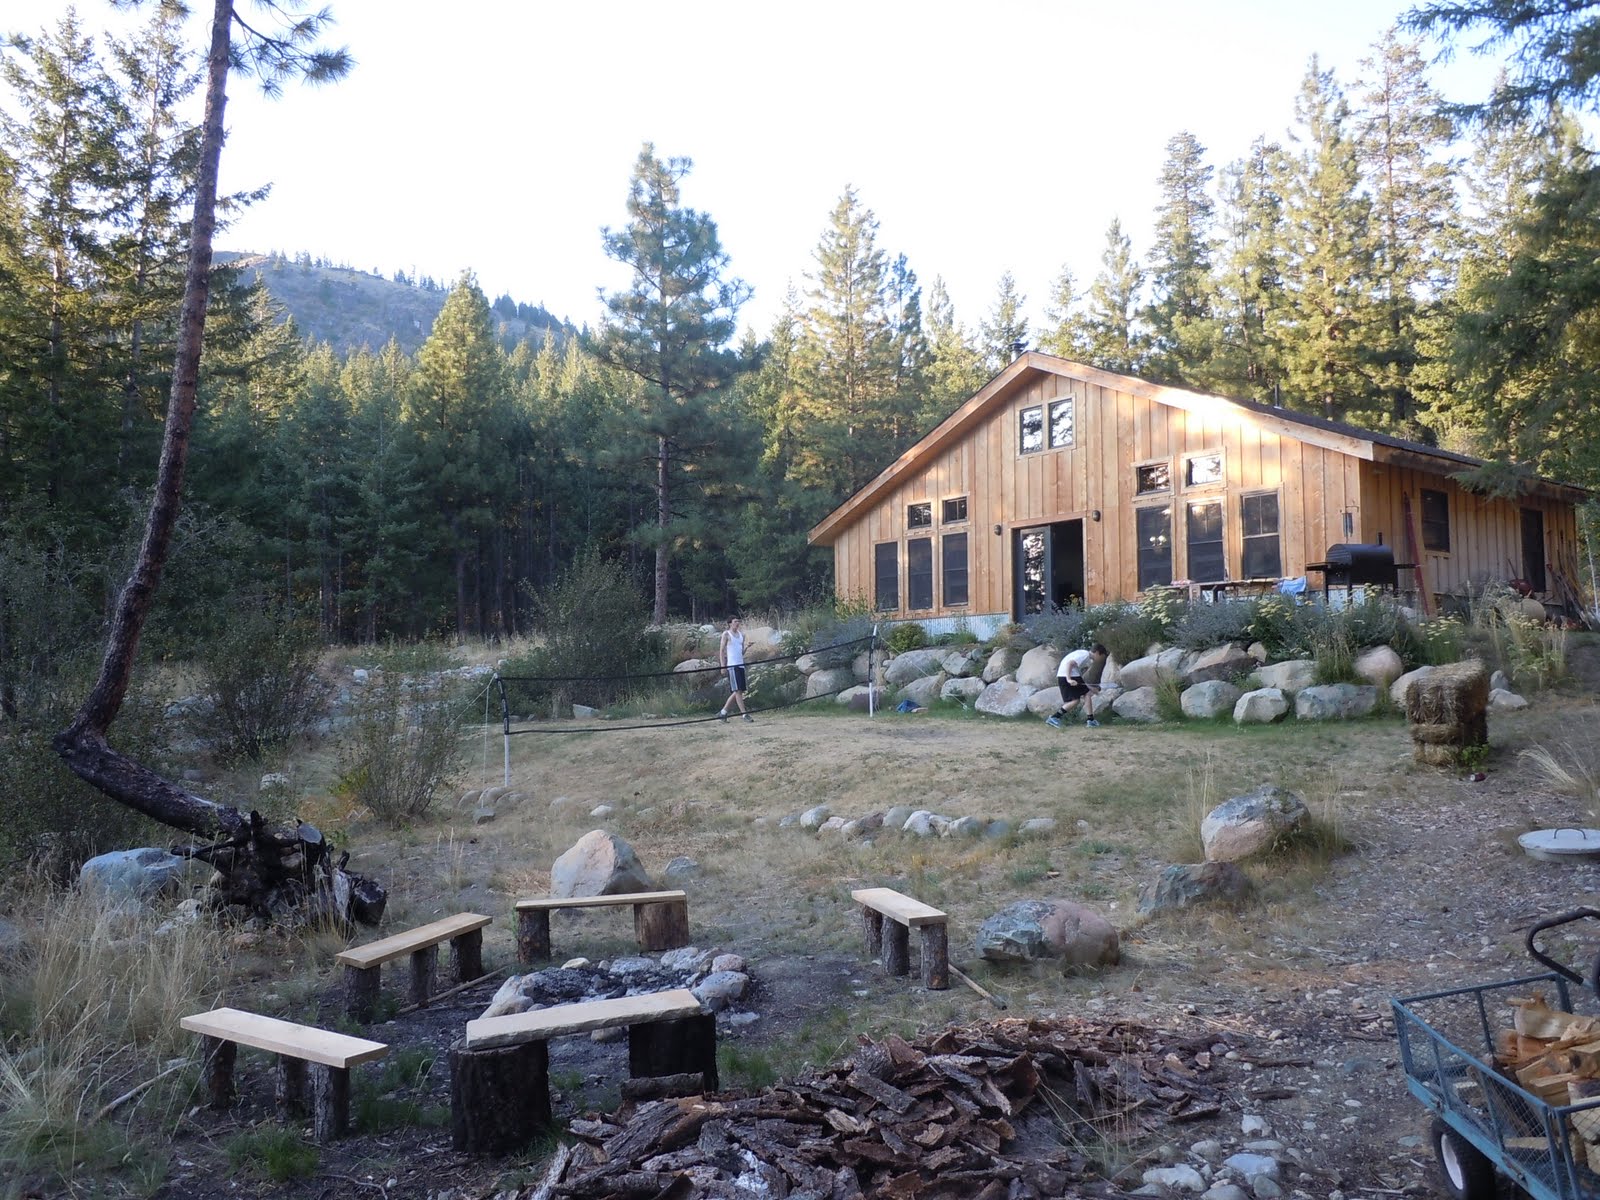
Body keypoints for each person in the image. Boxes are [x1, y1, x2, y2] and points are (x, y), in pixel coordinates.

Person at [1046, 643, 1108, 728]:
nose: (1101, 659)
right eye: (1102, 657)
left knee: (1084, 695)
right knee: (1077, 699)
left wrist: (1090, 688)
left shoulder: (1085, 656)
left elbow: (1080, 679)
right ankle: (1054, 717)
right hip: (1067, 676)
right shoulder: (1084, 655)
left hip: (1069, 675)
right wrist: (1069, 679)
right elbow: (1069, 664)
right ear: (1097, 653)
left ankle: (1090, 720)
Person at [716, 616, 752, 722]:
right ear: (730, 623)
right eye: (735, 621)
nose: (737, 623)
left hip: (740, 665)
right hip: (732, 666)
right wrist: (723, 665)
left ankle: (723, 712)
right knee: (738, 691)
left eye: (738, 621)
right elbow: (722, 651)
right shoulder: (726, 634)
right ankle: (744, 714)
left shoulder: (741, 635)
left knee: (738, 690)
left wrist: (747, 647)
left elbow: (741, 652)